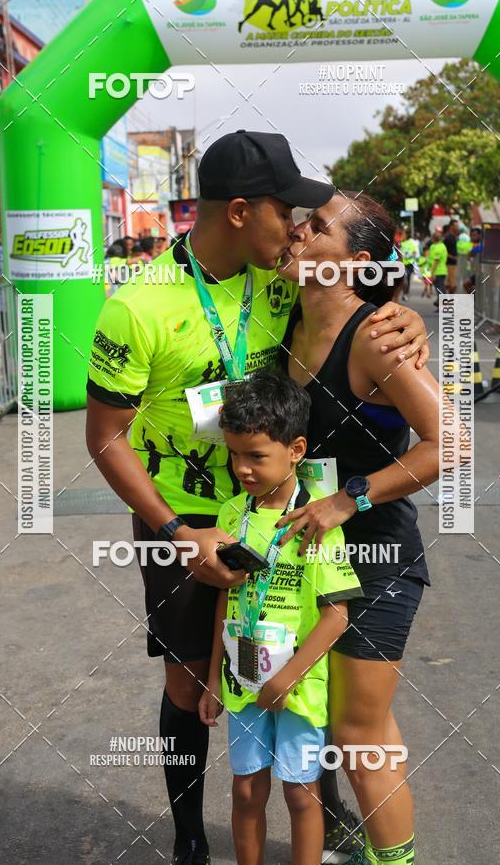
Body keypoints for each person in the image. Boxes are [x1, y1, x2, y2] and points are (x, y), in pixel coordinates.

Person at [85, 130, 430, 865]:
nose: (298, 231)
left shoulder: (282, 277)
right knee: (193, 680)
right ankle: (187, 840)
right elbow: (106, 438)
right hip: (181, 516)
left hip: (284, 514)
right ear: (240, 212)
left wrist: (405, 317)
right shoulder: (138, 304)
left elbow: (360, 293)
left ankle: (326, 810)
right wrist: (178, 530)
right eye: (288, 214)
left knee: (297, 668)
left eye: (310, 221)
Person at [275, 191, 440, 865]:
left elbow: (448, 443)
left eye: (316, 227)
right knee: (308, 715)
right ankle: (341, 833)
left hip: (375, 557)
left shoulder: (377, 336)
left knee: (358, 732)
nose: (297, 230)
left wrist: (351, 499)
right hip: (299, 557)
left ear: (355, 260)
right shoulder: (283, 313)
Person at [200, 370, 363, 865]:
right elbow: (226, 601)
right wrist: (212, 676)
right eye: (234, 454)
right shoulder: (231, 515)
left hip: (300, 688)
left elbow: (336, 616)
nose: (242, 468)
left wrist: (287, 680)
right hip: (242, 679)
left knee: (300, 794)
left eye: (256, 456)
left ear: (296, 449)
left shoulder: (315, 522)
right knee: (247, 790)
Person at [429, 230, 448, 307]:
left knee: (439, 289)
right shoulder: (436, 246)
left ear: (434, 238)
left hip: (439, 271)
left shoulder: (439, 247)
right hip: (440, 270)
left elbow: (436, 261)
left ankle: (443, 305)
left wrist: (433, 273)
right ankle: (442, 304)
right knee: (440, 288)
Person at [399, 231, 417, 302]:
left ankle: (406, 293)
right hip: (403, 264)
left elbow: (414, 253)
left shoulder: (411, 243)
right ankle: (404, 293)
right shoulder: (401, 243)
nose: (402, 236)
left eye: (403, 235)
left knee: (408, 279)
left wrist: (409, 255)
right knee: (404, 279)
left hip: (409, 264)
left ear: (406, 235)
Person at [443, 219, 459, 294]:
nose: (457, 227)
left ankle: (445, 299)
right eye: (456, 226)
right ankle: (446, 299)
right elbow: (444, 251)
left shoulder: (454, 237)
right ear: (451, 226)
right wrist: (452, 257)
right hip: (449, 264)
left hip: (453, 264)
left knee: (449, 285)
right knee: (452, 286)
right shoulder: (448, 237)